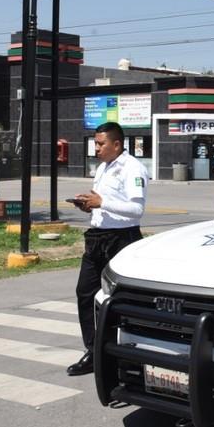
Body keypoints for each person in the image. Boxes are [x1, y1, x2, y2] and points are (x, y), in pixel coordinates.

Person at [66, 121, 148, 376]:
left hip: (121, 238)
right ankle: (93, 351)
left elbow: (136, 209)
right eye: (95, 144)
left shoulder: (133, 168)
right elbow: (104, 202)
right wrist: (90, 203)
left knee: (122, 299)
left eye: (101, 144)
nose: (96, 149)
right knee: (85, 293)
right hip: (98, 237)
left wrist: (103, 201)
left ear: (117, 144)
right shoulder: (103, 167)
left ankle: (130, 353)